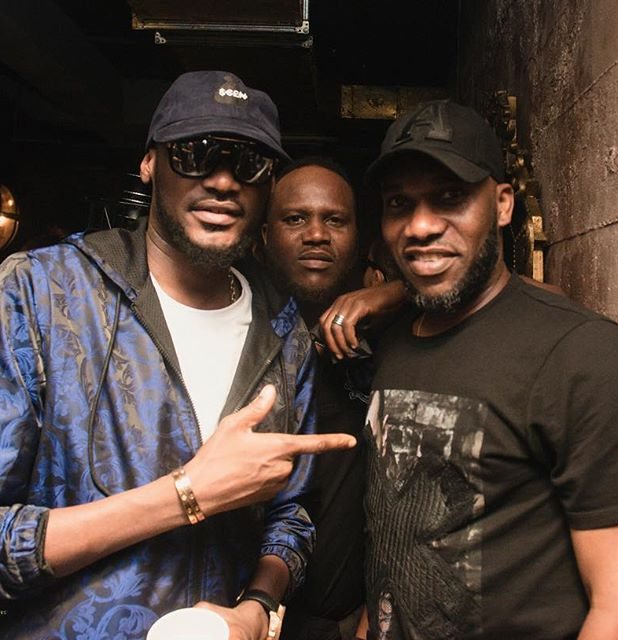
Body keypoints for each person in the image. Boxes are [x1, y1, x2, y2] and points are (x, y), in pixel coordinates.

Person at [0, 70, 356, 640]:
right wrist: (187, 494)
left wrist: (257, 605)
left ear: (268, 185)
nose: (223, 181)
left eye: (249, 163)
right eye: (194, 154)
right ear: (149, 164)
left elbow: (291, 516)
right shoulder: (41, 294)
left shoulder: (285, 331)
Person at [356, 99, 618, 639]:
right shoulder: (394, 346)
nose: (420, 225)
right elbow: (393, 538)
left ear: (503, 205)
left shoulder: (584, 354)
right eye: (399, 203)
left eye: (450, 197)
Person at [260, 157, 371, 640]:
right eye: (295, 218)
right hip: (250, 613)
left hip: (350, 621)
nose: (317, 234)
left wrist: (393, 294)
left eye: (335, 220)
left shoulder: (387, 336)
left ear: (358, 237)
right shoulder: (241, 337)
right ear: (264, 236)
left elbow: (527, 297)